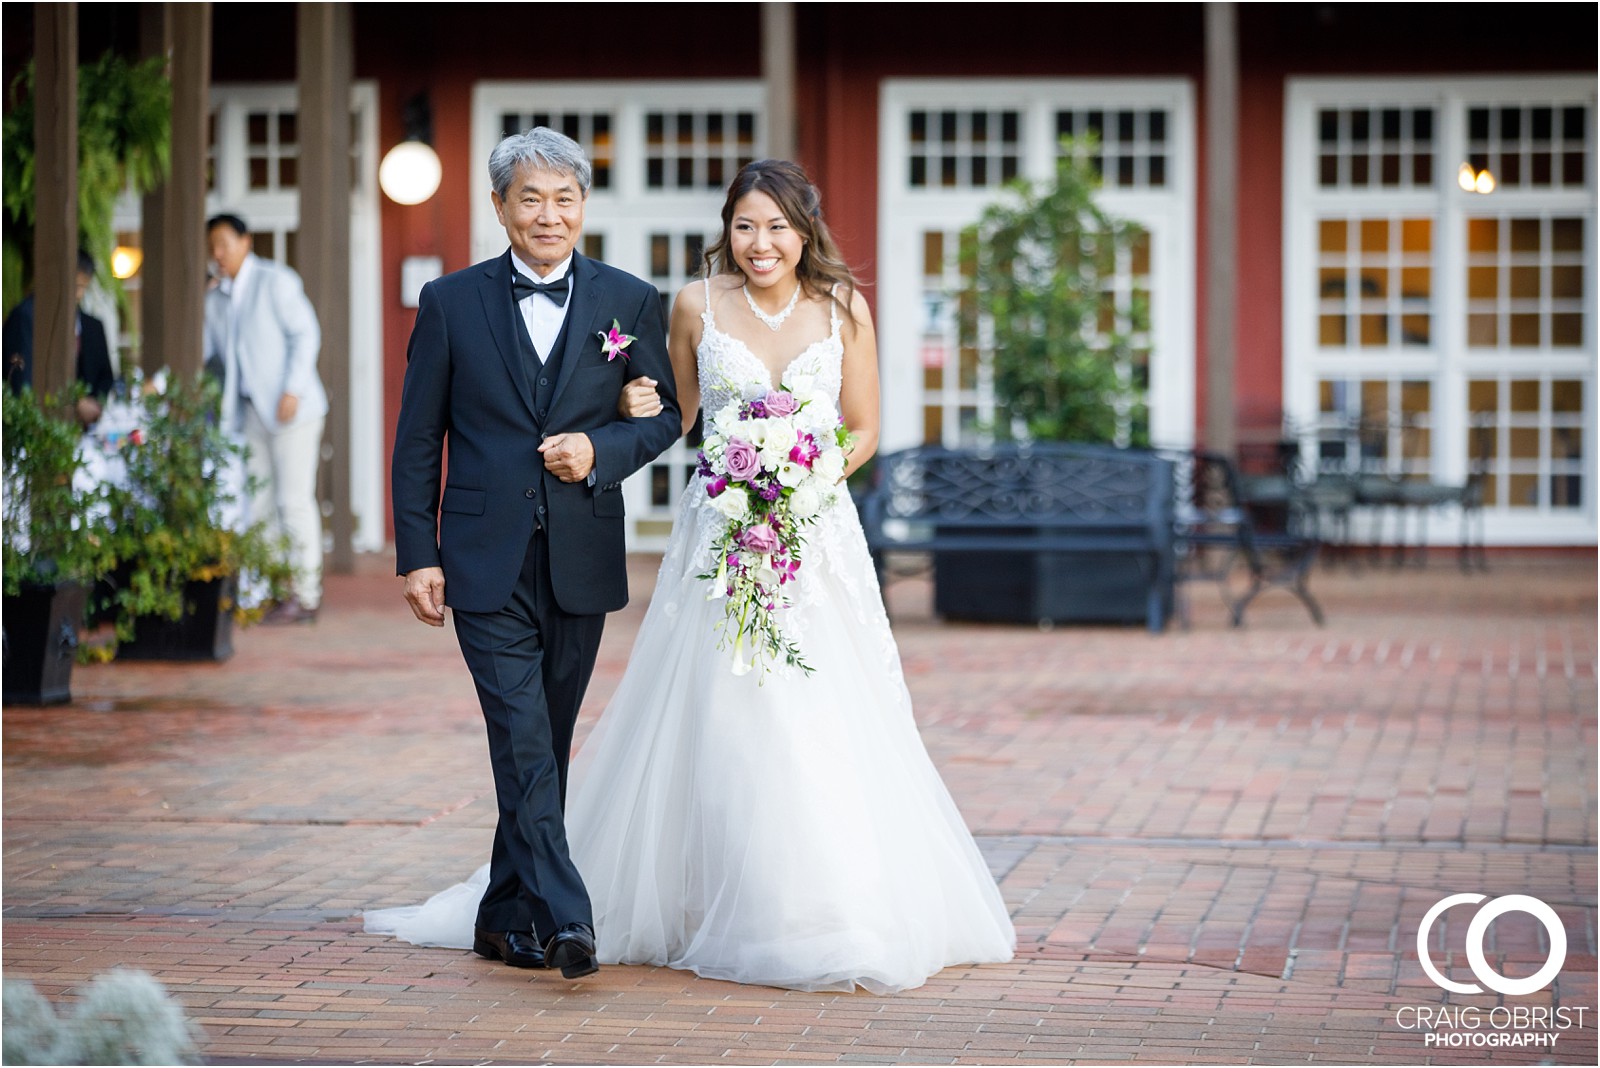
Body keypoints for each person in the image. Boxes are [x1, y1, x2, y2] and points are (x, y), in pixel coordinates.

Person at [366, 159, 1015, 994]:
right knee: (705, 712)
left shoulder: (843, 307)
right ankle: (571, 907)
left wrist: (804, 479)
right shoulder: (689, 306)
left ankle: (818, 901)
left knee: (819, 712)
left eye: (777, 225)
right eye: (745, 225)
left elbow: (865, 428)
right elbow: (667, 411)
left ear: (804, 228)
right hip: (716, 535)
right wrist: (636, 419)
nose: (761, 242)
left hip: (813, 538)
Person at [382, 127, 682, 981]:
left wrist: (602, 450)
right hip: (481, 557)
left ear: (583, 206)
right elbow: (417, 439)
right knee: (520, 733)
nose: (549, 215)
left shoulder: (628, 301)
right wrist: (418, 552)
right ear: (500, 207)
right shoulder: (450, 301)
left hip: (580, 554)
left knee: (542, 740)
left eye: (565, 198)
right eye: (531, 198)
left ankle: (501, 915)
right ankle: (568, 915)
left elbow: (662, 417)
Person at [204, 213, 328, 625]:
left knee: (292, 501)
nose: (217, 253)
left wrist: (292, 388)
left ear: (245, 241)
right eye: (212, 246)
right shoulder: (217, 296)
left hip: (293, 409)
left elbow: (305, 333)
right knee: (257, 503)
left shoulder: (276, 281)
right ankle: (274, 587)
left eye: (224, 243)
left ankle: (306, 595)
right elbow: (214, 357)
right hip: (249, 413)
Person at [4, 249, 118, 427]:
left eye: (83, 287)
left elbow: (105, 376)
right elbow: (22, 382)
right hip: (36, 428)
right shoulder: (25, 317)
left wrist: (92, 405)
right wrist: (74, 404)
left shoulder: (92, 326)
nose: (78, 294)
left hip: (82, 429)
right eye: (75, 285)